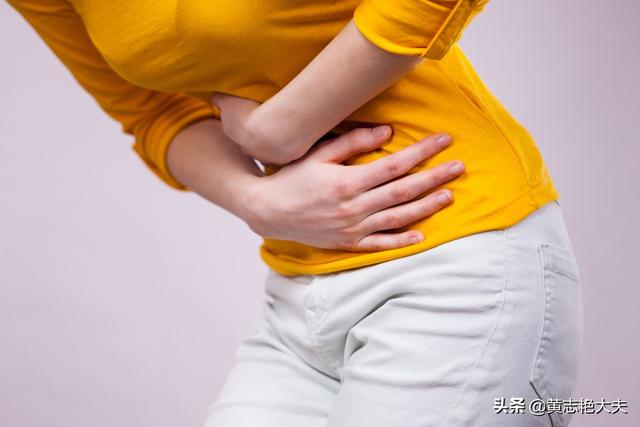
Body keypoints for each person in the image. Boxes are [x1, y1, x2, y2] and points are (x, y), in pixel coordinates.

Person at [7, 0, 584, 425]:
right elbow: (150, 111)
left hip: (457, 257)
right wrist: (257, 200)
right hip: (297, 296)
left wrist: (280, 129)